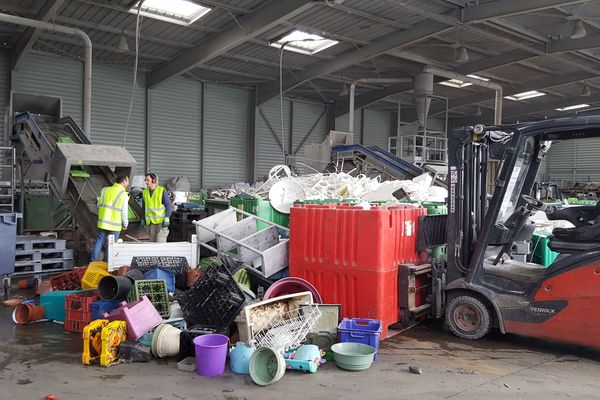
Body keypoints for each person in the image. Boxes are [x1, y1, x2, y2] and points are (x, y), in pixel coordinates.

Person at [90, 174, 130, 262]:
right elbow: (124, 212)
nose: (128, 183)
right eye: (127, 181)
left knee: (99, 241)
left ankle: (92, 261)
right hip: (114, 224)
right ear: (123, 181)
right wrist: (125, 224)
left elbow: (98, 205)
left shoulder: (105, 190)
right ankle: (106, 263)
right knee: (112, 245)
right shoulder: (123, 194)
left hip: (103, 222)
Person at [141, 172, 172, 243]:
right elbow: (144, 207)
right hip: (151, 223)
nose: (146, 182)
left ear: (154, 180)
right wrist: (143, 219)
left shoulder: (161, 190)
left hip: (161, 222)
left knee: (161, 242)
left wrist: (167, 217)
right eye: (145, 180)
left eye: (147, 180)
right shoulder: (144, 192)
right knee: (152, 243)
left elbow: (168, 205)